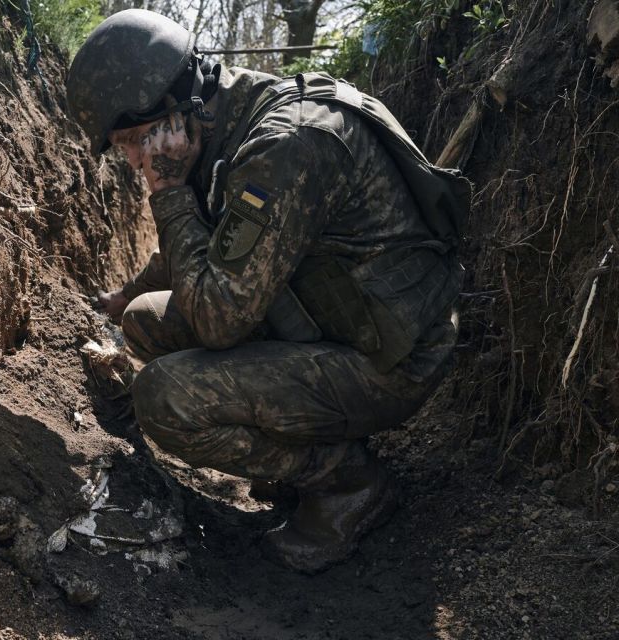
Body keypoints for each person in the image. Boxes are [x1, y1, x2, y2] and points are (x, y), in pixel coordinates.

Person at [66, 9, 469, 574]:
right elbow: (212, 244)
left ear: (175, 106)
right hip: (332, 322)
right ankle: (290, 443)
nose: (135, 162)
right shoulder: (227, 121)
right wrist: (122, 294)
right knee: (142, 318)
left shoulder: (283, 147)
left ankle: (348, 485)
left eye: (134, 141)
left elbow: (218, 321)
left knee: (164, 397)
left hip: (388, 359)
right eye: (123, 147)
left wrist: (169, 193)